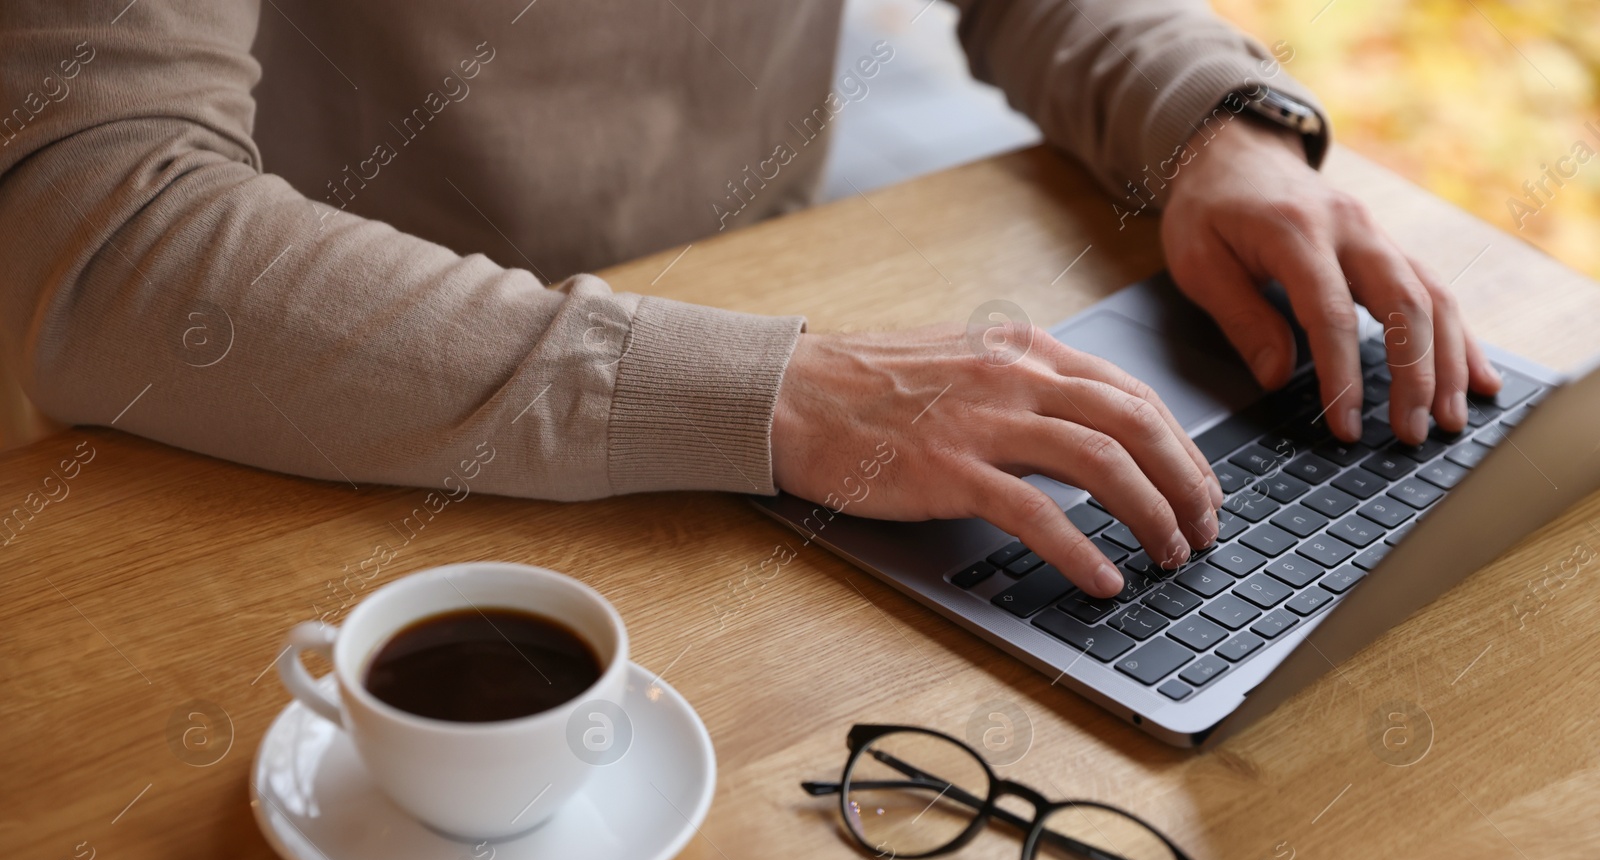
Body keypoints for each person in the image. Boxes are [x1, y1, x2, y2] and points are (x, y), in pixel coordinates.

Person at [0, 0, 1500, 599]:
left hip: (768, 353)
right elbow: (100, 220)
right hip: (303, 428)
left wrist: (1206, 116)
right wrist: (766, 394)